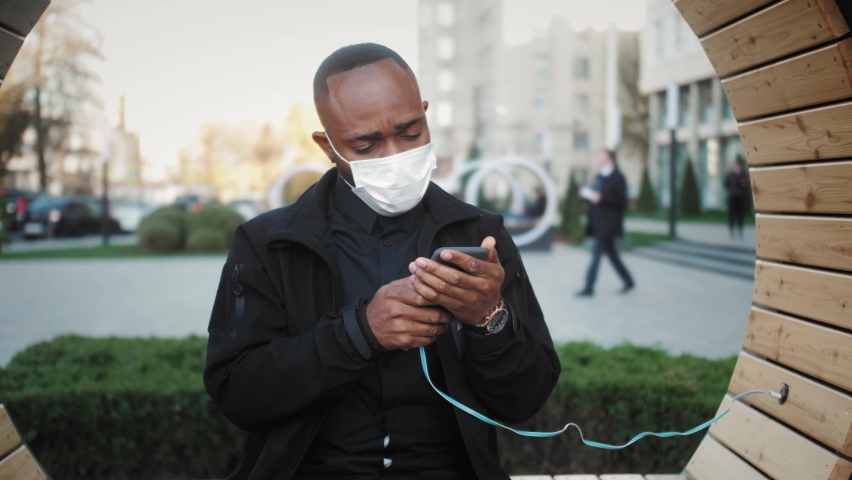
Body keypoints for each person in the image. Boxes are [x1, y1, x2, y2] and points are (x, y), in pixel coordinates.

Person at [204, 43, 560, 480]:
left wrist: (489, 319)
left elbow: (526, 399)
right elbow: (237, 394)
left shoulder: (480, 235)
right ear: (328, 146)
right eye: (366, 144)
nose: (394, 156)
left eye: (410, 133)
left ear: (426, 114)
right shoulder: (268, 244)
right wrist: (358, 333)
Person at [576, 149, 635, 297]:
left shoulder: (618, 178)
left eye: (601, 157)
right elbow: (595, 196)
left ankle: (588, 287)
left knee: (596, 255)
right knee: (612, 255)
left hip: (608, 224)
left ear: (609, 159)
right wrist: (585, 196)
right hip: (597, 221)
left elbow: (620, 201)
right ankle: (628, 281)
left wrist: (601, 199)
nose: (598, 160)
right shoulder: (599, 176)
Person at [725, 156, 749, 239]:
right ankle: (731, 230)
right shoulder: (730, 175)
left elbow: (747, 185)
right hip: (732, 197)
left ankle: (740, 230)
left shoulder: (744, 175)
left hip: (740, 198)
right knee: (731, 214)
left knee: (740, 215)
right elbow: (725, 184)